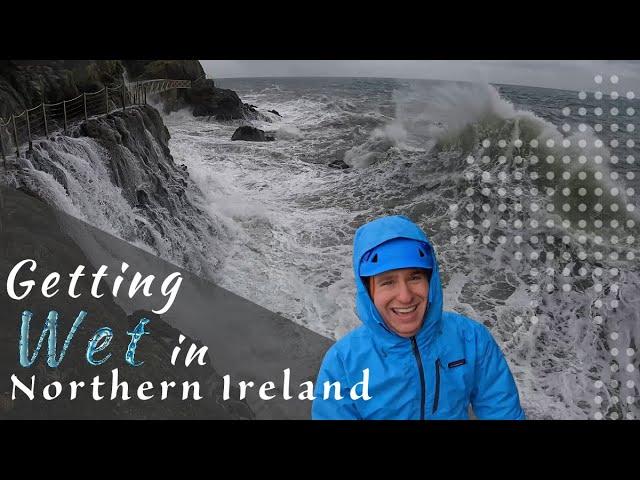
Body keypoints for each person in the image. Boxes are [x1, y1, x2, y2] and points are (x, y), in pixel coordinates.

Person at [312, 215, 525, 420]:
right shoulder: (342, 363)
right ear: (368, 292)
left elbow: (503, 412)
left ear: (431, 282)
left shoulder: (472, 339)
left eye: (415, 277)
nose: (405, 296)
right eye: (388, 282)